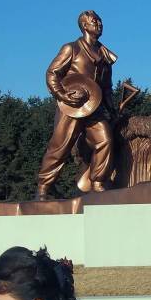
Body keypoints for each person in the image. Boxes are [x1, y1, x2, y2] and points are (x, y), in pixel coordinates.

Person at [36, 10, 117, 199]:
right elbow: (52, 73)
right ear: (84, 26)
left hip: (94, 107)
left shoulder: (105, 54)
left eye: (100, 21)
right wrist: (61, 94)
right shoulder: (71, 48)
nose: (99, 24)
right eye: (94, 21)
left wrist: (112, 109)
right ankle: (43, 188)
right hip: (71, 107)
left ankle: (97, 183)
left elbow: (106, 87)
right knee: (60, 147)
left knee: (105, 140)